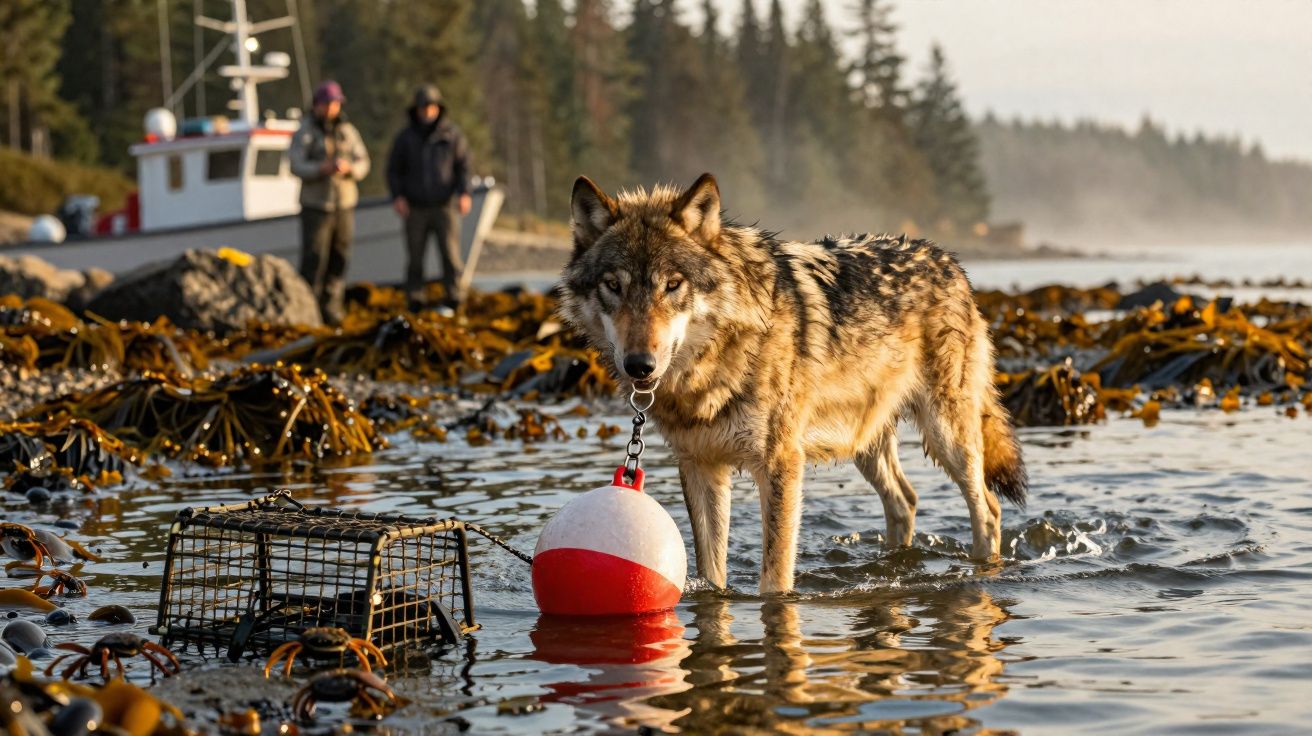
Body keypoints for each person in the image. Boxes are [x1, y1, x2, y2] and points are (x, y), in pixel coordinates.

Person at [386, 84, 473, 313]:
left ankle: (455, 297)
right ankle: (415, 298)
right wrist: (398, 197)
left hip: (444, 205)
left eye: (431, 107)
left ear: (438, 108)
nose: (426, 111)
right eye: (422, 107)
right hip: (415, 207)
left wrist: (464, 193)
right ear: (416, 110)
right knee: (415, 258)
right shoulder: (405, 138)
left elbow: (463, 167)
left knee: (450, 255)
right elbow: (393, 170)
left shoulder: (452, 135)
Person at [289, 80, 370, 325]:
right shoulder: (305, 131)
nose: (331, 108)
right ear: (317, 105)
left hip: (343, 203)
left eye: (335, 103)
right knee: (313, 257)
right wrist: (320, 169)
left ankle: (331, 307)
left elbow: (363, 161)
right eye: (327, 103)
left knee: (340, 255)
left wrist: (349, 169)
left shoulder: (347, 131)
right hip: (316, 204)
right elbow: (295, 164)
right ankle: (307, 307)